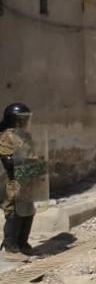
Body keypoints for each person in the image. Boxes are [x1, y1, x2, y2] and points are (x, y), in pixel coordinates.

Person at [1, 103, 40, 261]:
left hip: (27, 178)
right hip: (14, 180)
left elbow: (33, 154)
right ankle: (11, 248)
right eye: (23, 119)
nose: (26, 121)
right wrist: (27, 161)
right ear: (15, 120)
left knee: (28, 211)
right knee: (14, 213)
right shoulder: (7, 136)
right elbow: (8, 161)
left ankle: (23, 243)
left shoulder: (26, 135)